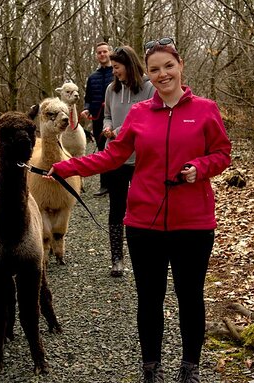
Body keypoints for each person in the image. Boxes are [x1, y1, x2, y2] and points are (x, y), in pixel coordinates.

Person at [48, 38, 231, 383]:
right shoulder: (140, 114)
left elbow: (222, 153)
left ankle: (190, 371)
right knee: (149, 298)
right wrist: (63, 167)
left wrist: (200, 168)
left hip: (193, 222)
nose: (162, 74)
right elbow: (112, 157)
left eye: (168, 66)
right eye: (155, 69)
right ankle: (151, 372)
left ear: (180, 66)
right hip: (144, 222)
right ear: (146, 74)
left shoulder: (206, 110)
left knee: (190, 297)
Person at [102, 45, 154, 277]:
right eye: (112, 68)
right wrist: (108, 127)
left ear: (129, 66)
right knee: (117, 207)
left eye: (117, 67)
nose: (114, 72)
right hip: (115, 157)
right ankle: (117, 259)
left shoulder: (149, 89)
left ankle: (148, 256)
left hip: (141, 158)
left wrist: (122, 130)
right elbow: (108, 115)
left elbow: (149, 118)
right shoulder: (110, 90)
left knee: (144, 207)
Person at [80, 42, 114, 197]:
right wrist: (87, 109)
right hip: (98, 119)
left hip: (117, 117)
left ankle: (125, 183)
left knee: (121, 149)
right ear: (96, 55)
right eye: (99, 52)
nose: (102, 55)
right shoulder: (92, 77)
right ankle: (105, 185)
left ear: (110, 53)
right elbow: (88, 99)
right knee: (102, 151)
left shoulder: (117, 72)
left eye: (105, 52)